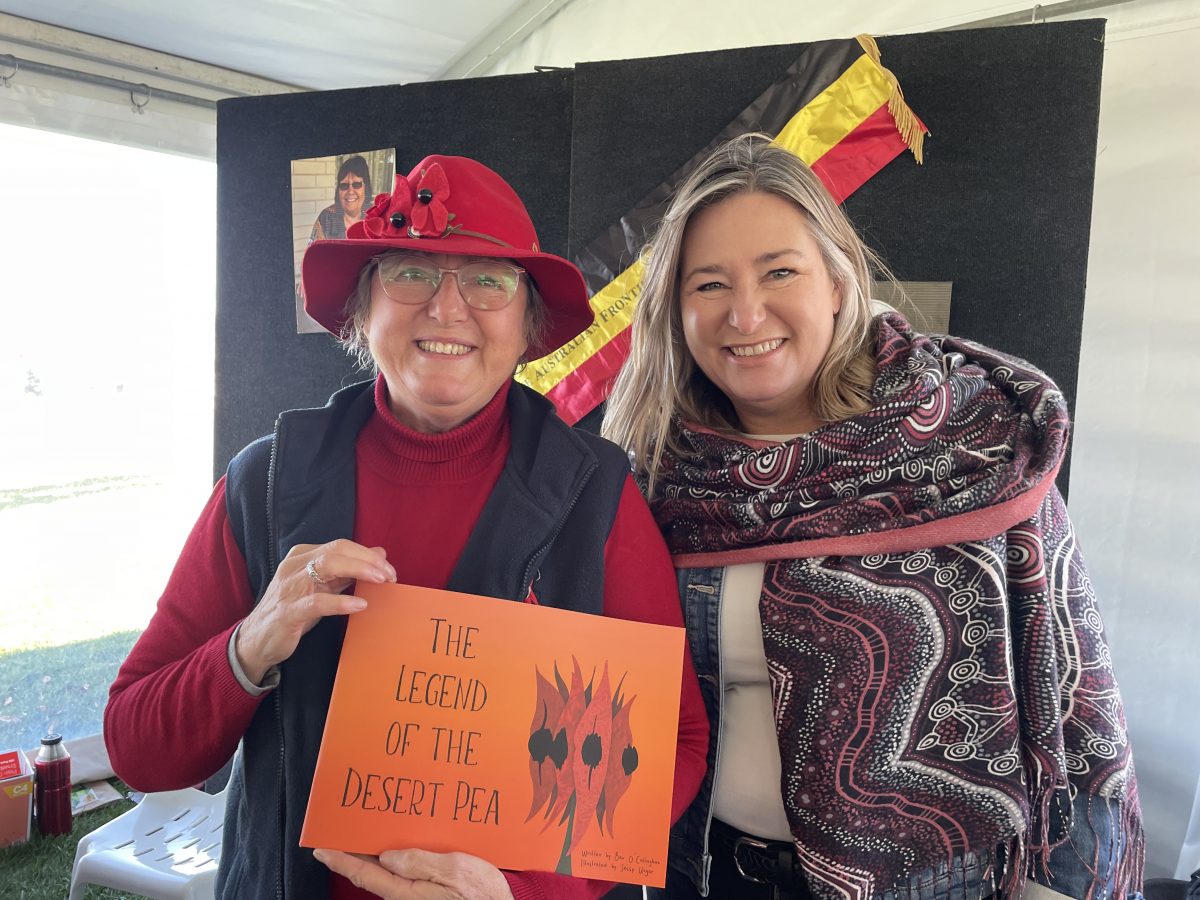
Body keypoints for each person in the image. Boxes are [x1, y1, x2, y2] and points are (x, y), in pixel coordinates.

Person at [105, 153, 708, 900]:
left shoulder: (597, 495)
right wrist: (251, 643)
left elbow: (672, 744)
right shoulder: (262, 484)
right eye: (412, 272)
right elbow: (138, 748)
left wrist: (525, 893)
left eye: (489, 280)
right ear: (363, 311)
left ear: (527, 325)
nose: (447, 308)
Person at [603, 133, 1143, 900]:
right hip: (706, 870)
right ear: (675, 309)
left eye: (779, 271)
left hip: (933, 883)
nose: (744, 312)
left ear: (836, 278)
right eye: (709, 284)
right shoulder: (655, 471)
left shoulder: (974, 443)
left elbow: (1070, 689)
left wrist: (1059, 885)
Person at [310, 155, 373, 242]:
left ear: (366, 188)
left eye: (357, 184)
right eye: (344, 185)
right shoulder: (326, 218)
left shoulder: (376, 216)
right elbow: (313, 253)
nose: (350, 191)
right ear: (338, 191)